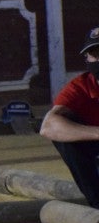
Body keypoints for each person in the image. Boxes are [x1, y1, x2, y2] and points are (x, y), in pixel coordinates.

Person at [39, 27, 99, 208]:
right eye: (95, 54)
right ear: (87, 58)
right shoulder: (81, 87)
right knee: (65, 137)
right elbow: (48, 126)